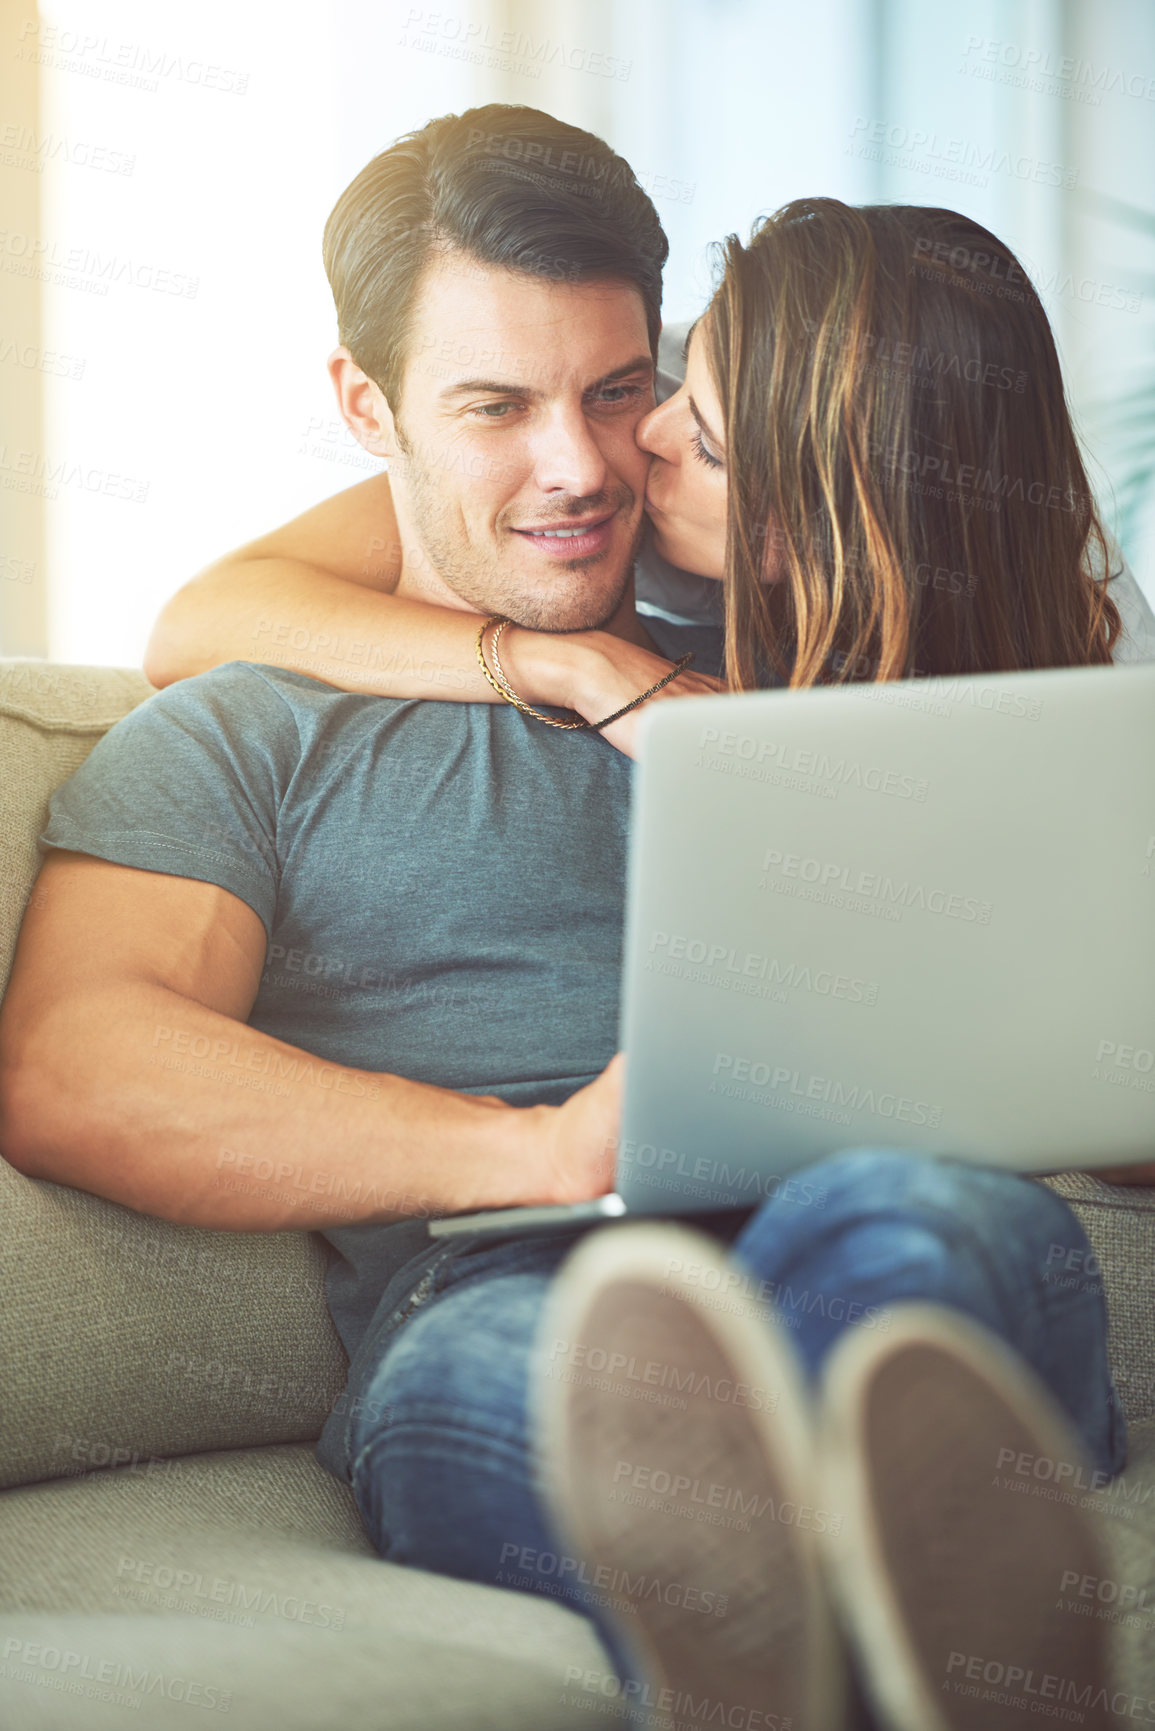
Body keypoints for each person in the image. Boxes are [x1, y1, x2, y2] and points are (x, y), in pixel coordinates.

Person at [0, 105, 1141, 1730]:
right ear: (364, 404)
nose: (583, 465)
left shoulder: (802, 649)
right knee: (538, 1378)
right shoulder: (244, 730)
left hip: (856, 1228)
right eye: (494, 407)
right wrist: (534, 1154)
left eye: (621, 392)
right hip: (517, 1289)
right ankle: (864, 1641)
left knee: (948, 1227)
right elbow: (80, 1065)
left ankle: (869, 1614)